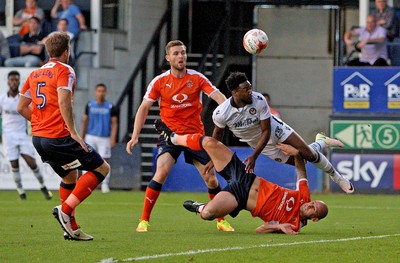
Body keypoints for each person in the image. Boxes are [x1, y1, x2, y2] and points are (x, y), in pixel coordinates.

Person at [126, 40, 232, 232]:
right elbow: (143, 108)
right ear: (168, 58)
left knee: (211, 179)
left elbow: (218, 96)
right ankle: (144, 220)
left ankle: (221, 220)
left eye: (183, 53)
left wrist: (226, 112)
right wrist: (135, 136)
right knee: (162, 171)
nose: (181, 56)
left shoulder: (197, 78)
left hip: (194, 137)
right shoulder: (159, 82)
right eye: (176, 53)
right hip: (170, 136)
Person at [154, 120, 328, 234]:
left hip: (240, 197)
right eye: (313, 203)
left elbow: (260, 229)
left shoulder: (293, 225)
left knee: (208, 213)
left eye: (313, 209)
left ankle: (199, 207)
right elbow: (301, 172)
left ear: (314, 219)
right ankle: (174, 139)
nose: (310, 204)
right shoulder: (303, 197)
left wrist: (279, 227)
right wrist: (296, 153)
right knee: (210, 143)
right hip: (246, 177)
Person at [17, 32, 110, 241]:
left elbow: (21, 107)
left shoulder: (35, 74)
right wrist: (74, 133)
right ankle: (66, 210)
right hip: (59, 136)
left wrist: (40, 123)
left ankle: (71, 229)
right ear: (67, 51)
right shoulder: (65, 70)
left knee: (70, 176)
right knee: (102, 168)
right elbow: (63, 102)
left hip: (39, 139)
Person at [210, 72, 354, 194]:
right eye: (245, 89)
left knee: (309, 155)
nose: (250, 91)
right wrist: (212, 157)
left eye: (250, 87)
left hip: (276, 131)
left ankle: (337, 177)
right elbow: (217, 136)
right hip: (261, 144)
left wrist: (254, 156)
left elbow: (267, 130)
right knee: (301, 160)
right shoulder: (222, 113)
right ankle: (321, 142)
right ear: (235, 92)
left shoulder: (258, 100)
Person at [0, 70, 52, 201]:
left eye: (16, 80)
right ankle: (21, 192)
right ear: (8, 81)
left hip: (21, 134)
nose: (14, 82)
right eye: (11, 80)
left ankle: (43, 185)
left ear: (19, 81)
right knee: (14, 164)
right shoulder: (2, 99)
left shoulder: (23, 99)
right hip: (8, 135)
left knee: (32, 163)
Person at [80, 83, 118, 193]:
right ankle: (85, 184)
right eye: (99, 91)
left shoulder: (110, 106)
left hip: (104, 137)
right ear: (95, 92)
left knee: (104, 161)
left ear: (105, 92)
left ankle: (105, 185)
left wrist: (113, 138)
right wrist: (81, 137)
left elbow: (114, 123)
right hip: (90, 136)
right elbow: (84, 121)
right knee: (87, 160)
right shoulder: (90, 105)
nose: (100, 93)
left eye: (102, 91)